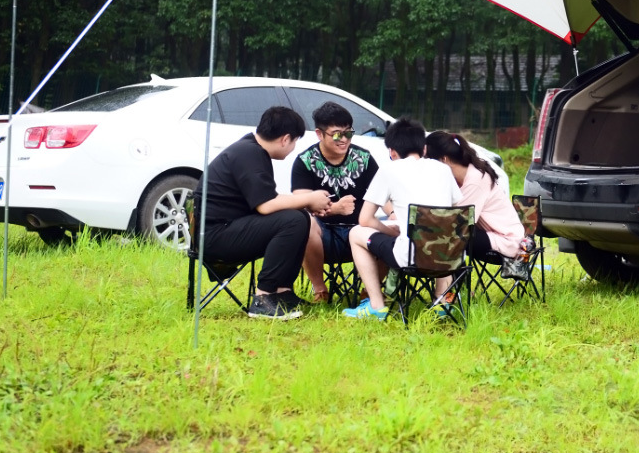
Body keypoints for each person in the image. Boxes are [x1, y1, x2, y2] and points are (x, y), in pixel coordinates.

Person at [194, 106, 332, 320]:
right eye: (295, 141)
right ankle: (264, 297)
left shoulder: (250, 149)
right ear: (285, 139)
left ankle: (283, 292)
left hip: (225, 229)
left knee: (299, 217)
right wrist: (309, 199)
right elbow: (266, 205)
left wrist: (306, 204)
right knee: (293, 220)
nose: (293, 147)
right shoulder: (250, 153)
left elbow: (267, 200)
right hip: (215, 237)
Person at [342, 117, 462, 320]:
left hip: (410, 258)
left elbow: (365, 219)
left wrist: (391, 231)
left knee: (355, 233)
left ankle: (376, 305)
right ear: (424, 148)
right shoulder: (443, 170)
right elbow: (456, 212)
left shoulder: (389, 170)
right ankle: (443, 302)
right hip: (450, 257)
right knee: (442, 240)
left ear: (392, 152)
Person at [291, 101, 379, 301]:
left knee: (386, 227)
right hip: (322, 238)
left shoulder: (363, 159)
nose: (344, 140)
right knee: (303, 221)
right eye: (337, 134)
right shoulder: (305, 161)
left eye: (348, 133)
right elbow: (299, 203)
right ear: (319, 134)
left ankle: (370, 293)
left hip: (359, 233)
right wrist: (334, 209)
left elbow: (383, 195)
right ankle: (320, 291)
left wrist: (392, 213)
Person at [424, 130, 523, 260]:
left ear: (444, 159)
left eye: (429, 162)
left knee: (446, 236)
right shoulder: (460, 177)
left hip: (506, 241)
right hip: (488, 234)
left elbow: (458, 222)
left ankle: (453, 277)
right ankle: (453, 276)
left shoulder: (475, 180)